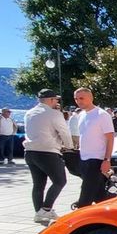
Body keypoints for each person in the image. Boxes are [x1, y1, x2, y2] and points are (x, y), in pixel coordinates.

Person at [23, 89, 73, 224]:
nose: (57, 102)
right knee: (60, 181)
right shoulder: (54, 114)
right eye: (56, 99)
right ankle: (46, 208)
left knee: (38, 184)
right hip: (48, 151)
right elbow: (64, 132)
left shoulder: (29, 113)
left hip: (30, 151)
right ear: (51, 100)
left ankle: (38, 212)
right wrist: (69, 146)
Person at [73, 88, 114, 207]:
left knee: (85, 198)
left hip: (96, 160)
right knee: (99, 195)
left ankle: (79, 217)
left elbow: (110, 138)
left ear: (91, 98)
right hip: (84, 159)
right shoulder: (81, 115)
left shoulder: (101, 115)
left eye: (81, 98)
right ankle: (114, 212)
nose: (78, 101)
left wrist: (107, 160)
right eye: (76, 99)